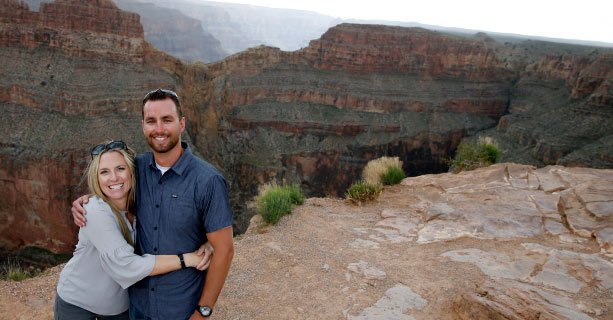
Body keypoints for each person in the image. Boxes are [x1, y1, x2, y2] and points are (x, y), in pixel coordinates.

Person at [72, 89, 234, 319]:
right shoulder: (135, 169)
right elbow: (111, 185)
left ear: (182, 124)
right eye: (151, 121)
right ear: (143, 126)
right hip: (137, 306)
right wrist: (84, 201)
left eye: (167, 120)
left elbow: (224, 250)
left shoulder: (207, 181)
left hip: (180, 308)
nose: (159, 129)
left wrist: (203, 311)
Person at [55, 140, 213, 319]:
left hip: (119, 306)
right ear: (96, 178)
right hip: (78, 303)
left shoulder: (145, 202)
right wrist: (186, 259)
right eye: (104, 172)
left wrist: (208, 241)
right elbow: (127, 265)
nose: (114, 178)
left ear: (132, 171)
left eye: (120, 168)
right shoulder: (93, 211)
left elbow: (182, 220)